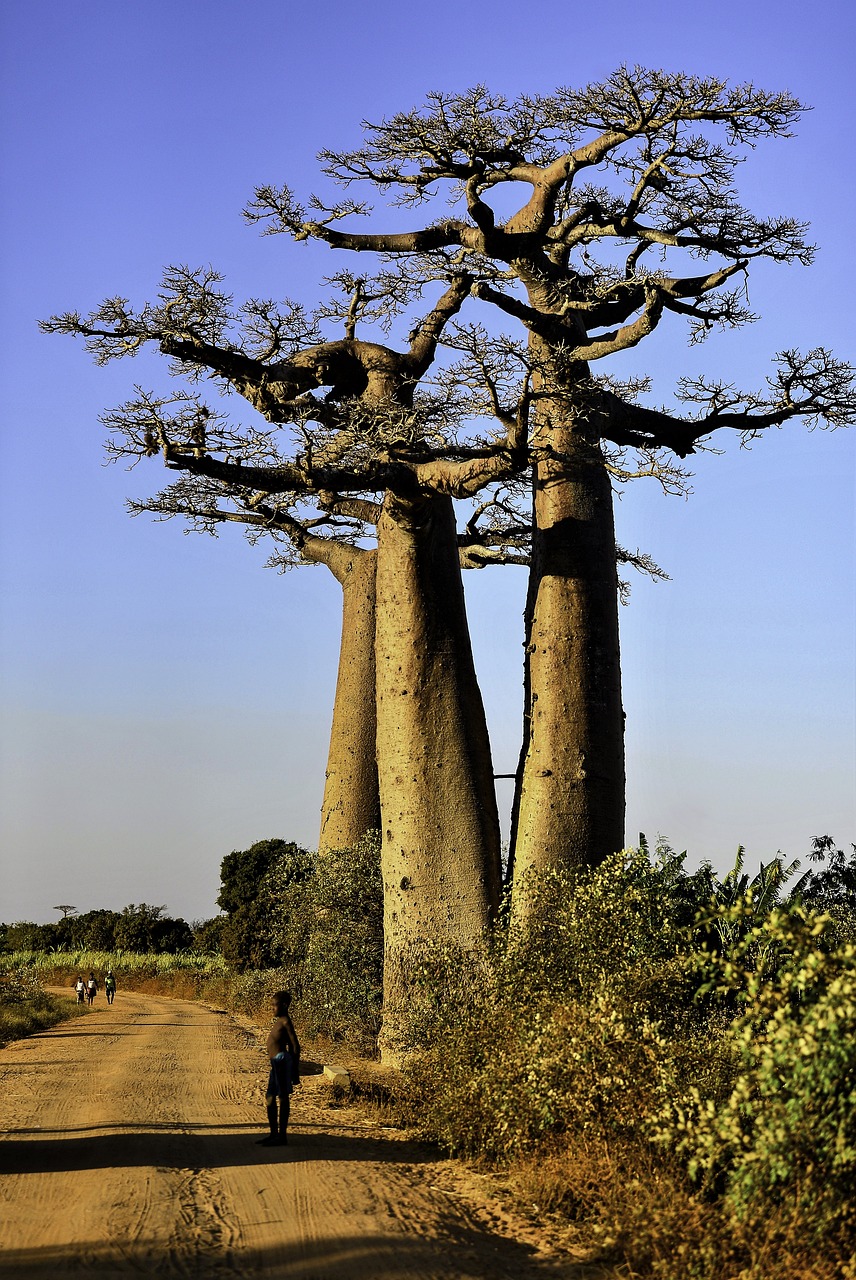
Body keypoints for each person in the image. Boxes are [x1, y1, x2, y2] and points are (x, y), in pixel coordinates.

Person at [258, 990, 300, 1146]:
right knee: (270, 1097)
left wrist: (295, 1071)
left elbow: (295, 1046)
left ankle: (282, 1136)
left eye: (274, 1005)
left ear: (284, 1005)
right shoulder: (279, 1020)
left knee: (282, 1098)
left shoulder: (286, 1022)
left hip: (282, 1062)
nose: (272, 1009)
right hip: (275, 1064)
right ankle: (273, 1133)